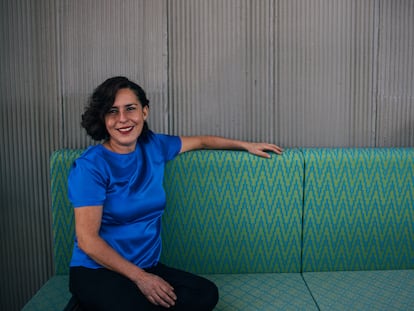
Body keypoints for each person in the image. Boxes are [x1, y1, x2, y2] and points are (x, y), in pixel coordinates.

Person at [67, 76, 283, 311]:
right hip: (96, 270)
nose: (123, 119)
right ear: (103, 118)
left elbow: (202, 142)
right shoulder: (90, 167)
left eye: (130, 109)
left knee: (205, 293)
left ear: (145, 111)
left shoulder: (154, 146)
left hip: (146, 264)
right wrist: (140, 278)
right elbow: (88, 241)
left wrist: (246, 145)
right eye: (112, 111)